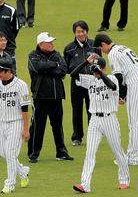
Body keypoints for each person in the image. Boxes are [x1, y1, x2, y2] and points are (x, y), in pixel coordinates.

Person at [71, 54, 130, 193]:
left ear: (103, 68)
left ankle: (124, 179)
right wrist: (87, 62)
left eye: (97, 68)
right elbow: (73, 74)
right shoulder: (90, 80)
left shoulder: (112, 77)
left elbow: (112, 86)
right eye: (93, 69)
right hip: (94, 120)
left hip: (109, 119)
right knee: (90, 153)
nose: (94, 72)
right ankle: (85, 184)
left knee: (117, 151)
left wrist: (101, 73)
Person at [94, 34, 138, 165]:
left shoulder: (112, 53)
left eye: (100, 48)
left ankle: (133, 157)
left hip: (135, 86)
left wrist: (121, 96)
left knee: (134, 123)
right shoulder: (124, 48)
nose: (102, 51)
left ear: (103, 44)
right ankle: (134, 155)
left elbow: (119, 77)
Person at [28, 32, 74, 163]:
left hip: (56, 96)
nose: (52, 44)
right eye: (48, 42)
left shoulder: (57, 54)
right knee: (38, 126)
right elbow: (38, 67)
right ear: (40, 44)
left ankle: (61, 152)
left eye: (51, 42)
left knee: (57, 125)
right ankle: (33, 153)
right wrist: (54, 65)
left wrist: (48, 68)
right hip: (41, 97)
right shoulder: (33, 56)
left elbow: (63, 70)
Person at [64, 20, 101, 146]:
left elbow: (101, 63)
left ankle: (94, 134)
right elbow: (67, 68)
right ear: (74, 33)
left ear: (87, 32)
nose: (80, 34)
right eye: (78, 32)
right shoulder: (69, 48)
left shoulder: (94, 45)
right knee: (77, 110)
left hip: (92, 83)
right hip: (77, 83)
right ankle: (77, 137)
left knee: (92, 109)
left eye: (83, 31)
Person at [0, 55, 31, 193]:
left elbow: (25, 108)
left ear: (8, 71)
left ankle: (10, 184)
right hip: (1, 122)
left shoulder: (21, 85)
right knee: (4, 154)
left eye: (1, 71)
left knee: (11, 153)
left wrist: (26, 129)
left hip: (16, 123)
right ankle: (23, 172)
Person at [0, 0, 20, 74]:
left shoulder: (11, 10)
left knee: (11, 74)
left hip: (8, 49)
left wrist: (5, 41)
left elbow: (16, 29)